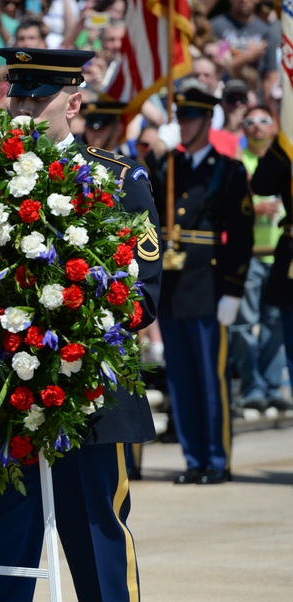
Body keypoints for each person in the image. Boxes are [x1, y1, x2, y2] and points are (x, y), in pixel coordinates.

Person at [0, 48, 163, 602]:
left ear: (72, 103)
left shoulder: (117, 181)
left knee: (96, 537)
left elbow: (142, 296)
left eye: (36, 98)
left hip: (85, 390)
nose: (22, 108)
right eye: (16, 95)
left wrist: (64, 335)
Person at [146, 82, 254, 486]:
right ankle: (193, 459)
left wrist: (233, 289)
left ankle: (217, 459)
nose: (184, 125)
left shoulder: (227, 171)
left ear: (208, 120)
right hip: (173, 290)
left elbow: (240, 236)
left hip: (208, 288)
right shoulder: (166, 165)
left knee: (212, 380)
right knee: (183, 381)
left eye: (191, 117)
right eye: (180, 117)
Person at [231, 105, 289, 413]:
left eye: (263, 121)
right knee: (243, 324)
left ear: (276, 125)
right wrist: (254, 207)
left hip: (277, 256)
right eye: (249, 122)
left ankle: (270, 385)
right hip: (250, 255)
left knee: (275, 324)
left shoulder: (285, 155)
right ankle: (252, 386)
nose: (256, 127)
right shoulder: (239, 160)